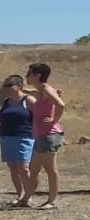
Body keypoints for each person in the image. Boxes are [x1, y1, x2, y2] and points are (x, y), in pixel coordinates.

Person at [18, 62, 66, 209]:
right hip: (41, 136)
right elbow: (29, 92)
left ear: (37, 75)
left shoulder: (45, 88)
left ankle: (52, 201)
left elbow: (61, 105)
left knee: (51, 169)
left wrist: (53, 120)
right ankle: (26, 198)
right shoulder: (40, 91)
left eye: (29, 73)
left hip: (49, 135)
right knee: (34, 169)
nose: (27, 76)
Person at [0, 75, 35, 201]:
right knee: (13, 168)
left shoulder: (28, 100)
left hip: (24, 137)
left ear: (19, 86)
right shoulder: (7, 101)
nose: (6, 88)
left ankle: (29, 195)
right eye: (4, 85)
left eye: (9, 85)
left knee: (24, 168)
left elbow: (39, 116)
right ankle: (20, 194)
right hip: (7, 137)